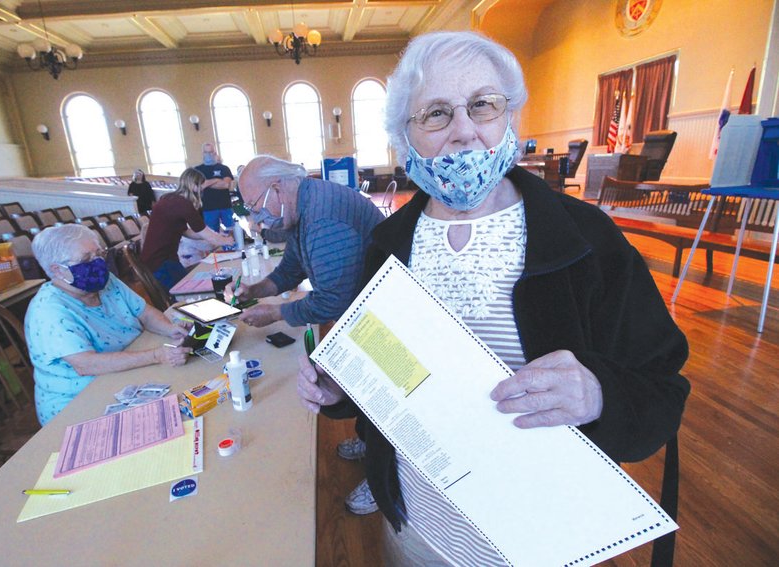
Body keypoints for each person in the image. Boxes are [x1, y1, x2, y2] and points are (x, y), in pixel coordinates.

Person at [296, 31, 690, 565]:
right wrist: (340, 387)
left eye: (482, 104)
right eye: (436, 113)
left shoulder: (586, 238)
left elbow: (661, 386)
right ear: (404, 138)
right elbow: (386, 386)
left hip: (545, 542)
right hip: (417, 531)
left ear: (510, 118)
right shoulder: (389, 247)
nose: (464, 131)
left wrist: (599, 392)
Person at [25, 224, 193, 425]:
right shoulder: (48, 310)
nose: (98, 263)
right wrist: (156, 355)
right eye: (86, 259)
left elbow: (144, 312)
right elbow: (86, 364)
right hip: (78, 403)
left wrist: (170, 329)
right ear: (57, 270)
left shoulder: (105, 281)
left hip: (125, 372)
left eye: (100, 254)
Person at [230, 154, 384, 330]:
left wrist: (275, 313)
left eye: (253, 205)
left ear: (277, 190)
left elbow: (332, 301)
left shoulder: (322, 220)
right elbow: (289, 271)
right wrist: (252, 291)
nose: (256, 216)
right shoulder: (303, 203)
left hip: (379, 320)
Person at [141, 168, 233, 291]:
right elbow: (205, 233)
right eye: (200, 185)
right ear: (193, 184)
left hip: (156, 259)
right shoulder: (183, 204)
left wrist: (216, 235)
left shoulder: (169, 198)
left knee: (189, 284)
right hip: (161, 262)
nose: (202, 189)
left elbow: (187, 232)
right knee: (186, 291)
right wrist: (227, 241)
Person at [195, 143, 235, 233]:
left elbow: (225, 185)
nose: (208, 154)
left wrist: (206, 183)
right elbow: (198, 187)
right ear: (202, 153)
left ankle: (230, 247)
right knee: (212, 233)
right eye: (206, 152)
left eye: (211, 152)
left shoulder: (224, 168)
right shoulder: (197, 170)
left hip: (225, 206)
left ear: (215, 153)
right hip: (208, 208)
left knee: (231, 231)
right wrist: (216, 180)